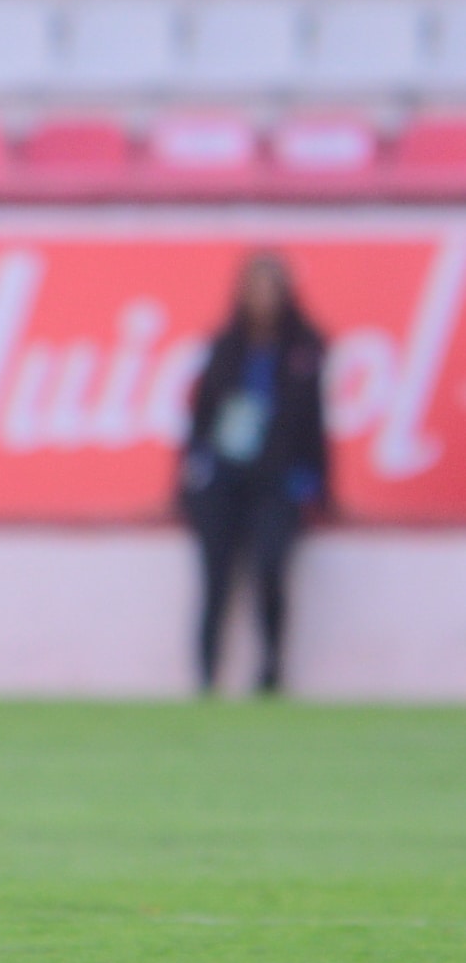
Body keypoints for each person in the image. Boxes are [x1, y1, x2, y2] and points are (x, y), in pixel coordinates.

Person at [179, 250, 330, 694]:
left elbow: (315, 423)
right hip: (224, 481)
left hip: (275, 481)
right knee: (215, 581)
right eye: (254, 289)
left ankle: (271, 671)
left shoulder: (303, 350)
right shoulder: (224, 349)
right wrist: (194, 473)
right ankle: (206, 678)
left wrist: (314, 483)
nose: (262, 299)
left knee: (269, 570)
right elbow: (200, 417)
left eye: (270, 289)